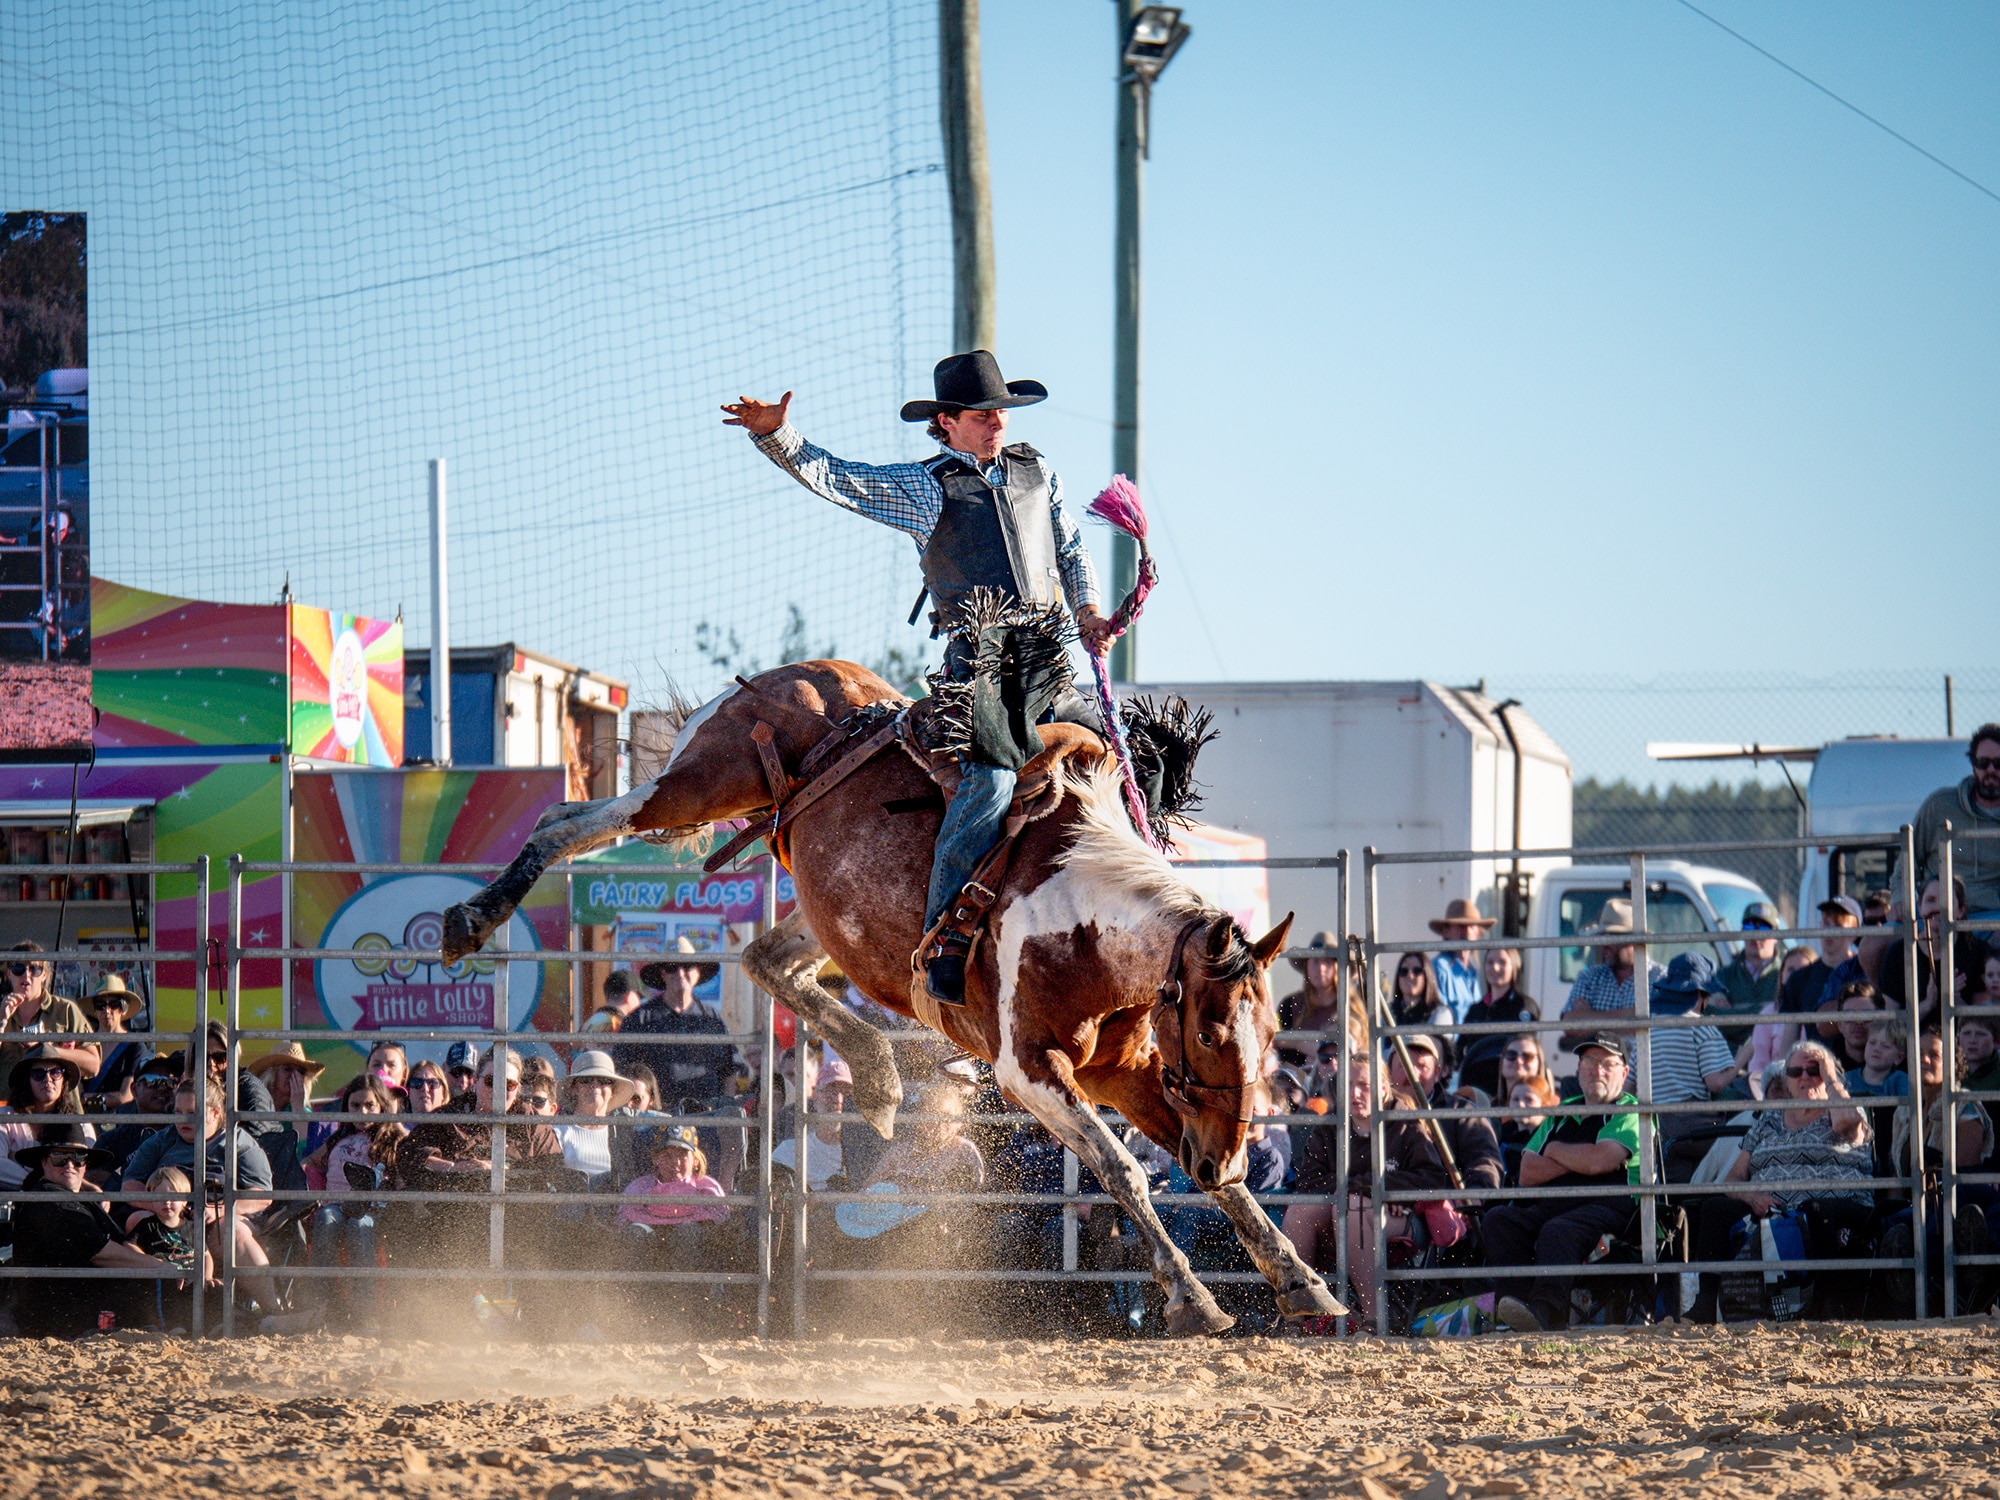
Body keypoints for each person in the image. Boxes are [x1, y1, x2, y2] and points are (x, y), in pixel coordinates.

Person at [726, 352, 1114, 1005]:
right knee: (989, 784)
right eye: (983, 413)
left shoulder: (1035, 471)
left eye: (1001, 412)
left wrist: (1090, 614)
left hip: (1051, 665)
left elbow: (1069, 549)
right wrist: (778, 436)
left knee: (1135, 766)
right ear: (948, 422)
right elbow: (842, 479)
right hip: (982, 671)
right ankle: (946, 938)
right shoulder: (925, 486)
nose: (996, 421)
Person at [1681, 1039, 1874, 1323]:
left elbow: (1847, 1122)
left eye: (1814, 1070)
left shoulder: (1844, 1110)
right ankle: (1705, 1303)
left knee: (1816, 1209)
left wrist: (1830, 1074)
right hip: (1774, 1212)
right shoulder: (1769, 1120)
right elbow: (1733, 1179)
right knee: (1714, 1209)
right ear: (1787, 1080)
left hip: (1834, 1209)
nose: (1805, 1078)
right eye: (1796, 1072)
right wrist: (1752, 1197)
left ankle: (1828, 1303)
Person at [1485, 1033, 1643, 1333]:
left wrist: (1555, 1150)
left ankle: (1546, 1313)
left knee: (1559, 1230)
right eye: (1590, 1061)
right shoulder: (1561, 1112)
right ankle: (1514, 1308)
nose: (1597, 1070)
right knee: (1500, 1220)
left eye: (1607, 1063)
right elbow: (1527, 1173)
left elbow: (1601, 1162)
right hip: (1555, 1204)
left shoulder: (1629, 1110)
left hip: (1612, 1209)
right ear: (1579, 1069)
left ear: (1624, 1072)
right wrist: (1583, 1158)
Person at [121, 1081, 287, 1321]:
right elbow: (130, 1186)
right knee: (138, 1221)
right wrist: (168, 1206)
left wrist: (218, 1209)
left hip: (222, 1214)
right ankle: (150, 1314)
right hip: (171, 1215)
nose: (183, 1120)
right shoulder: (163, 1139)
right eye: (178, 1112)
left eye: (193, 1113)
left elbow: (262, 1194)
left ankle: (273, 1311)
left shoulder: (238, 1141)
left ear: (215, 1112)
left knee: (230, 1231)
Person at [12, 1124, 179, 1335]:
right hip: (60, 1315)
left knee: (187, 1284)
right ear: (44, 1162)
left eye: (78, 1157)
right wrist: (160, 1268)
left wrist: (165, 1266)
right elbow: (100, 1253)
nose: (70, 1165)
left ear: (86, 1164)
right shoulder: (49, 1200)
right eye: (59, 1157)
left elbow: (122, 1243)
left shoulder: (79, 1198)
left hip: (85, 1302)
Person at [305, 1075, 399, 1323]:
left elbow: (406, 1163)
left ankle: (366, 1310)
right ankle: (320, 1303)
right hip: (335, 1204)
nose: (362, 1112)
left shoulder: (390, 1139)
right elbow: (311, 1162)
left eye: (370, 1105)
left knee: (359, 1227)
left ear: (382, 1106)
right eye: (355, 1106)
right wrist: (315, 1189)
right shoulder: (338, 1138)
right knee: (326, 1218)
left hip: (370, 1208)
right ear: (346, 1107)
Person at [397, 1045, 562, 1183]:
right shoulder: (452, 1115)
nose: (498, 1089)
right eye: (491, 1081)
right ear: (476, 1081)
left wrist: (510, 1175)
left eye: (509, 1084)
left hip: (515, 1213)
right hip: (458, 1209)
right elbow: (408, 1154)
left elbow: (553, 1169)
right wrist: (454, 1168)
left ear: (518, 1088)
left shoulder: (530, 1121)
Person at [1903, 723, 2000, 916]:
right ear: (1973, 766)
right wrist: (1900, 901)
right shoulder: (1939, 804)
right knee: (1871, 945)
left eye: (1999, 764)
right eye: (1983, 763)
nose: (1991, 770)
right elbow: (1907, 859)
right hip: (1937, 913)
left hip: (1992, 915)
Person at [614, 941, 730, 1102]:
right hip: (657, 1120)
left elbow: (730, 1071)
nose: (680, 972)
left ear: (698, 971)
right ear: (662, 973)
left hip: (706, 1118)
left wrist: (723, 1113)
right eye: (671, 967)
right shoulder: (639, 1020)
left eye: (687, 966)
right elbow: (622, 1072)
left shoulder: (712, 1018)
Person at [1645, 953, 1741, 1141]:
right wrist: (1743, 1056)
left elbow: (1630, 1086)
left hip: (1654, 1126)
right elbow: (1716, 1083)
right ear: (1700, 995)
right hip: (1693, 1124)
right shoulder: (1701, 1027)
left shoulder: (1648, 1030)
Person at [1872, 877, 1990, 1022]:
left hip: (1962, 1042)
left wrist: (1955, 1000)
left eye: (1946, 901)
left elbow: (1983, 1026)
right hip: (1913, 1042)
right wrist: (1926, 1005)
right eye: (1930, 900)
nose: (1938, 908)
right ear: (1919, 907)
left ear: (1961, 910)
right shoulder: (1898, 954)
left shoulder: (1979, 952)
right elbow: (1891, 1026)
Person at [1559, 900, 1667, 1046]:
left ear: (1635, 940)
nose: (1604, 944)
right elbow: (1569, 1025)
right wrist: (1633, 1017)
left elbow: (1659, 1026)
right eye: (1602, 936)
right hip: (1599, 1068)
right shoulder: (1590, 977)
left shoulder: (1661, 978)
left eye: (1612, 936)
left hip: (1645, 1068)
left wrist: (1590, 1019)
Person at [0, 940, 99, 1091]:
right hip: (11, 1110)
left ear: (44, 974)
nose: (27, 975)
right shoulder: (1, 1011)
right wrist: (1, 1022)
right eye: (19, 968)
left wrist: (47, 1049)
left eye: (34, 969)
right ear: (8, 973)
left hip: (59, 1111)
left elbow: (93, 1065)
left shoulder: (65, 1010)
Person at [0, 1041, 92, 1189]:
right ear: (25, 1080)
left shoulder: (80, 1124)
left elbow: (86, 1168)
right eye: (38, 1074)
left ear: (63, 1079)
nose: (48, 1079)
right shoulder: (5, 1117)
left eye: (55, 1072)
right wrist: (40, 1183)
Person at [245, 1041, 325, 1192]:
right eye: (287, 1069)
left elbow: (303, 1155)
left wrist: (297, 1109)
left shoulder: (306, 1115)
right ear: (272, 1074)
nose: (294, 1076)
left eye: (300, 1072)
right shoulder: (255, 1107)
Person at [1458, 948, 1536, 1100]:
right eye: (1490, 962)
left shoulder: (1524, 1006)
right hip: (1474, 1087)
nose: (1495, 967)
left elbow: (1525, 1049)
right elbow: (1460, 1050)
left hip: (1510, 1087)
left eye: (1502, 962)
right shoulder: (1476, 1010)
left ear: (1514, 966)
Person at [1709, 901, 1786, 1052]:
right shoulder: (1723, 976)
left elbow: (1786, 1025)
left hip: (1774, 1064)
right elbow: (1711, 1021)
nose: (1755, 935)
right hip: (1732, 1066)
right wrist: (1763, 1012)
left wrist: (1733, 1019)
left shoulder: (1786, 975)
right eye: (1749, 927)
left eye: (1763, 928)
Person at [619, 1124, 729, 1227]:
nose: (675, 1162)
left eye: (682, 1155)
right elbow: (623, 1221)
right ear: (655, 1159)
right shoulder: (639, 1188)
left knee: (688, 1232)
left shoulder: (707, 1188)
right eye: (667, 1155)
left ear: (695, 1160)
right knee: (637, 1231)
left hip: (693, 1237)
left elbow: (722, 1224)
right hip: (650, 1236)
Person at [554, 1050, 635, 1186]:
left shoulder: (624, 1134)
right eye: (586, 1080)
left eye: (604, 1081)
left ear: (612, 1090)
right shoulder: (557, 1131)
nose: (595, 1085)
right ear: (574, 1088)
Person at [772, 1054, 850, 1192]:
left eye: (846, 1093)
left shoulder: (865, 1154)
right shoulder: (789, 1153)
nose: (838, 1099)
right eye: (830, 1091)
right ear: (815, 1098)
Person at [1779, 895, 1864, 1019]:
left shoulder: (1865, 973)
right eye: (1826, 923)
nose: (1830, 931)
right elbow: (1790, 1034)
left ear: (1854, 933)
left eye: (1838, 925)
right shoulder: (1799, 979)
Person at [94, 1055, 180, 1176]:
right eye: (152, 1081)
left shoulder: (184, 1135)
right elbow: (95, 1184)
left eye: (170, 1082)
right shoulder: (112, 1141)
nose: (162, 1087)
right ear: (134, 1090)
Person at [196, 1021, 280, 1141]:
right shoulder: (193, 1090)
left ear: (232, 1056)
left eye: (219, 1057)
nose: (210, 1064)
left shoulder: (249, 1090)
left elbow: (257, 1141)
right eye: (202, 1056)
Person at [1275, 931, 1343, 1069]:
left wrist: (1298, 1043)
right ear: (1307, 965)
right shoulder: (1290, 1004)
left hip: (1341, 1079)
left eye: (1327, 961)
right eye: (1315, 961)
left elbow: (1353, 1049)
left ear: (1337, 967)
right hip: (1299, 1080)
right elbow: (1276, 1041)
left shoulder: (1349, 1005)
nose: (1321, 968)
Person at [82, 975, 150, 1105]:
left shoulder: (135, 1046)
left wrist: (86, 1099)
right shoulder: (84, 1043)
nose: (107, 1011)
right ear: (95, 1011)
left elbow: (126, 1096)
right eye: (100, 1005)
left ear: (123, 1008)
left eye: (114, 1004)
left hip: (119, 1121)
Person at [1428, 899, 1495, 1024]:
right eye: (1461, 926)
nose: (1467, 932)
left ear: (1478, 933)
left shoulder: (1473, 971)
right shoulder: (1439, 968)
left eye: (1472, 927)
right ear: (1446, 932)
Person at [584, 970, 643, 1034]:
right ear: (629, 997)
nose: (639, 1003)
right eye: (639, 998)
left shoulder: (588, 1023)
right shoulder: (619, 1026)